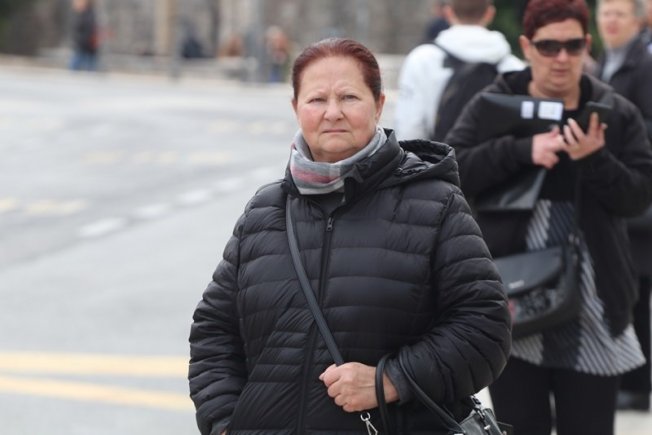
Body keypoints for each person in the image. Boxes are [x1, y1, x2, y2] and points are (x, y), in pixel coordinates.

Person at [188, 37, 511, 435]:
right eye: (317, 99)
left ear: (379, 104)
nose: (332, 113)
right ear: (296, 108)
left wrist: (390, 381)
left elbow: (485, 328)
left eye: (349, 97)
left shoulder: (435, 204)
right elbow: (214, 330)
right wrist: (224, 423)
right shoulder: (265, 211)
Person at [444, 0, 652, 433]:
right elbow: (453, 169)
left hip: (593, 301)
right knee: (519, 425)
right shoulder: (494, 103)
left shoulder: (612, 111)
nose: (561, 58)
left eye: (572, 46)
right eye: (548, 46)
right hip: (512, 296)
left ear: (587, 45)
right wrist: (522, 150)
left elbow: (638, 197)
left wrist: (595, 159)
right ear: (527, 46)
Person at [595, 0, 652, 412]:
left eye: (619, 14)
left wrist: (609, 129)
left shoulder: (644, 65)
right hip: (613, 193)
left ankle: (638, 383)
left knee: (636, 291)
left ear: (638, 19)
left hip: (637, 198)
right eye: (605, 13)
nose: (610, 21)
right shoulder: (604, 61)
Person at [394, 0, 524, 141]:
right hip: (493, 153)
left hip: (441, 152)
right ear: (490, 13)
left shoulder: (423, 59)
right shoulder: (512, 65)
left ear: (448, 12)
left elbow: (410, 127)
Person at [69, 0, 99, 71]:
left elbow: (88, 32)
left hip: (85, 48)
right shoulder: (82, 15)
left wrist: (80, 42)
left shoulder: (88, 16)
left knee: (75, 67)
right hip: (84, 47)